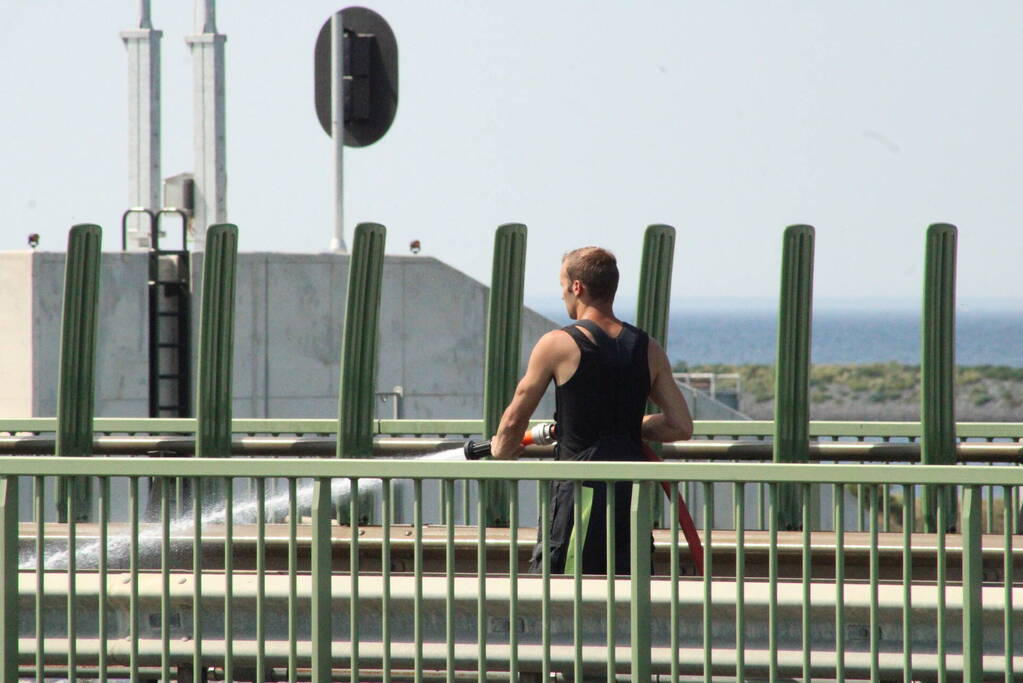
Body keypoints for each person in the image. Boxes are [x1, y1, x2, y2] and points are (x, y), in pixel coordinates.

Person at [490, 246, 693, 574]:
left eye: (562, 286)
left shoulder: (557, 344)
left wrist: (501, 449)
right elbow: (680, 426)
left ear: (577, 287)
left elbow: (514, 419)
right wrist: (629, 425)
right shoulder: (648, 348)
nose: (562, 295)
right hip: (631, 496)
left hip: (579, 495)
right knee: (629, 591)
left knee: (561, 592)